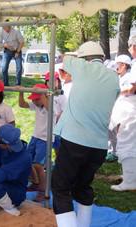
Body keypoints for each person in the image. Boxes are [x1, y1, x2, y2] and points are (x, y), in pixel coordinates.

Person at [52, 41, 119, 227]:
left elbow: (65, 58)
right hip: (98, 146)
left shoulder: (82, 66)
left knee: (60, 187)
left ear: (85, 58)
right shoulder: (114, 78)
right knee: (83, 187)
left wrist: (76, 56)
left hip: (75, 141)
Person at [19, 83, 61, 202]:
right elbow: (22, 105)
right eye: (34, 99)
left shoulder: (51, 105)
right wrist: (21, 91)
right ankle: (36, 183)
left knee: (38, 165)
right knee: (27, 160)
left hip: (45, 139)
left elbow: (50, 109)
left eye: (37, 99)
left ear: (44, 97)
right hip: (36, 137)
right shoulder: (38, 105)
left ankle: (43, 190)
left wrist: (43, 94)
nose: (35, 102)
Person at [109, 54, 136, 191]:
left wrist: (118, 92)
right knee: (127, 144)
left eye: (117, 64)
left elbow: (132, 89)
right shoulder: (123, 77)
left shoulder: (130, 74)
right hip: (127, 112)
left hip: (130, 113)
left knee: (126, 144)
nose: (115, 67)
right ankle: (130, 176)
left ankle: (130, 181)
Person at [0, 20, 24, 86]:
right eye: (3, 28)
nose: (5, 29)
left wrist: (17, 52)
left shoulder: (16, 31)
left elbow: (22, 42)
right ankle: (6, 84)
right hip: (7, 51)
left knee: (19, 68)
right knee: (4, 68)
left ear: (10, 26)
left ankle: (18, 84)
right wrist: (4, 45)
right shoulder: (1, 31)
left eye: (6, 27)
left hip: (17, 50)